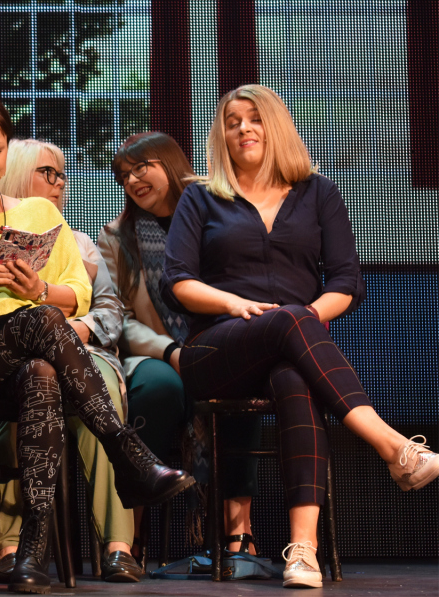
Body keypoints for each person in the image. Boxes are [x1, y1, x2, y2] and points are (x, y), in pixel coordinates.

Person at [0, 94, 193, 594]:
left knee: (42, 373)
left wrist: (38, 288)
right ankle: (126, 452)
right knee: (41, 324)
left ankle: (31, 552)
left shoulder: (39, 213)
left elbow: (80, 294)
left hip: (18, 356)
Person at [162, 84, 439, 589]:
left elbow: (347, 282)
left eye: (254, 119)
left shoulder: (318, 192)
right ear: (221, 136)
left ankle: (303, 552)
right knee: (291, 323)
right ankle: (392, 446)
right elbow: (176, 281)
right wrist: (233, 304)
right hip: (215, 349)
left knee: (295, 378)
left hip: (290, 345)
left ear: (276, 126)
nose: (244, 129)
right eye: (232, 122)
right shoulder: (201, 196)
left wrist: (303, 319)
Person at [98, 132, 262, 560]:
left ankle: (238, 533)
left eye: (141, 167)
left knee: (239, 383)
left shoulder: (220, 220)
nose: (132, 181)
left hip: (218, 344)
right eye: (124, 175)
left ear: (170, 163)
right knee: (159, 387)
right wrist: (171, 351)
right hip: (153, 354)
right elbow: (117, 317)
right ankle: (129, 537)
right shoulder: (116, 237)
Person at [0, 138, 143, 583]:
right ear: (19, 175)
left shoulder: (81, 245)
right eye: (48, 173)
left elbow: (111, 311)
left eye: (62, 174)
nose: (60, 183)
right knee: (26, 394)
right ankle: (10, 547)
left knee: (101, 393)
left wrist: (78, 330)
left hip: (85, 352)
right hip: (19, 359)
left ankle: (117, 547)